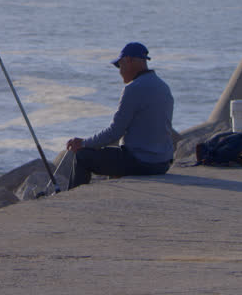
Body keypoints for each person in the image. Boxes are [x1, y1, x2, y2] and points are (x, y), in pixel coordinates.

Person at [65, 41, 174, 188]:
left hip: (142, 163)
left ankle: (75, 199)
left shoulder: (133, 89)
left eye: (120, 65)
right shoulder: (163, 86)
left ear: (129, 60)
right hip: (162, 163)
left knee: (83, 156)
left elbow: (115, 132)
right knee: (114, 154)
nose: (120, 71)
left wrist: (83, 143)